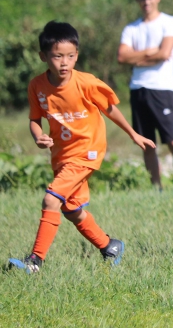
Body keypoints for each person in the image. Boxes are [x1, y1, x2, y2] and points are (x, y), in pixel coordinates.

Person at [8, 22, 155, 273]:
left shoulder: (86, 83)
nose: (64, 62)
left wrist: (133, 134)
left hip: (87, 151)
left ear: (77, 55)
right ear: (43, 56)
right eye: (57, 56)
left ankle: (35, 262)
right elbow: (34, 119)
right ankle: (109, 246)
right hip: (61, 155)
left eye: (70, 56)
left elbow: (109, 108)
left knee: (51, 199)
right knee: (71, 210)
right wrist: (38, 136)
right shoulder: (36, 86)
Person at [117, 0, 173, 190]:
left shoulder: (169, 22)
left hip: (161, 88)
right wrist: (150, 52)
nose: (146, 1)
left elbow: (164, 53)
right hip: (138, 88)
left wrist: (138, 57)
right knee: (147, 143)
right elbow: (122, 56)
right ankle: (156, 188)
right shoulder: (131, 28)